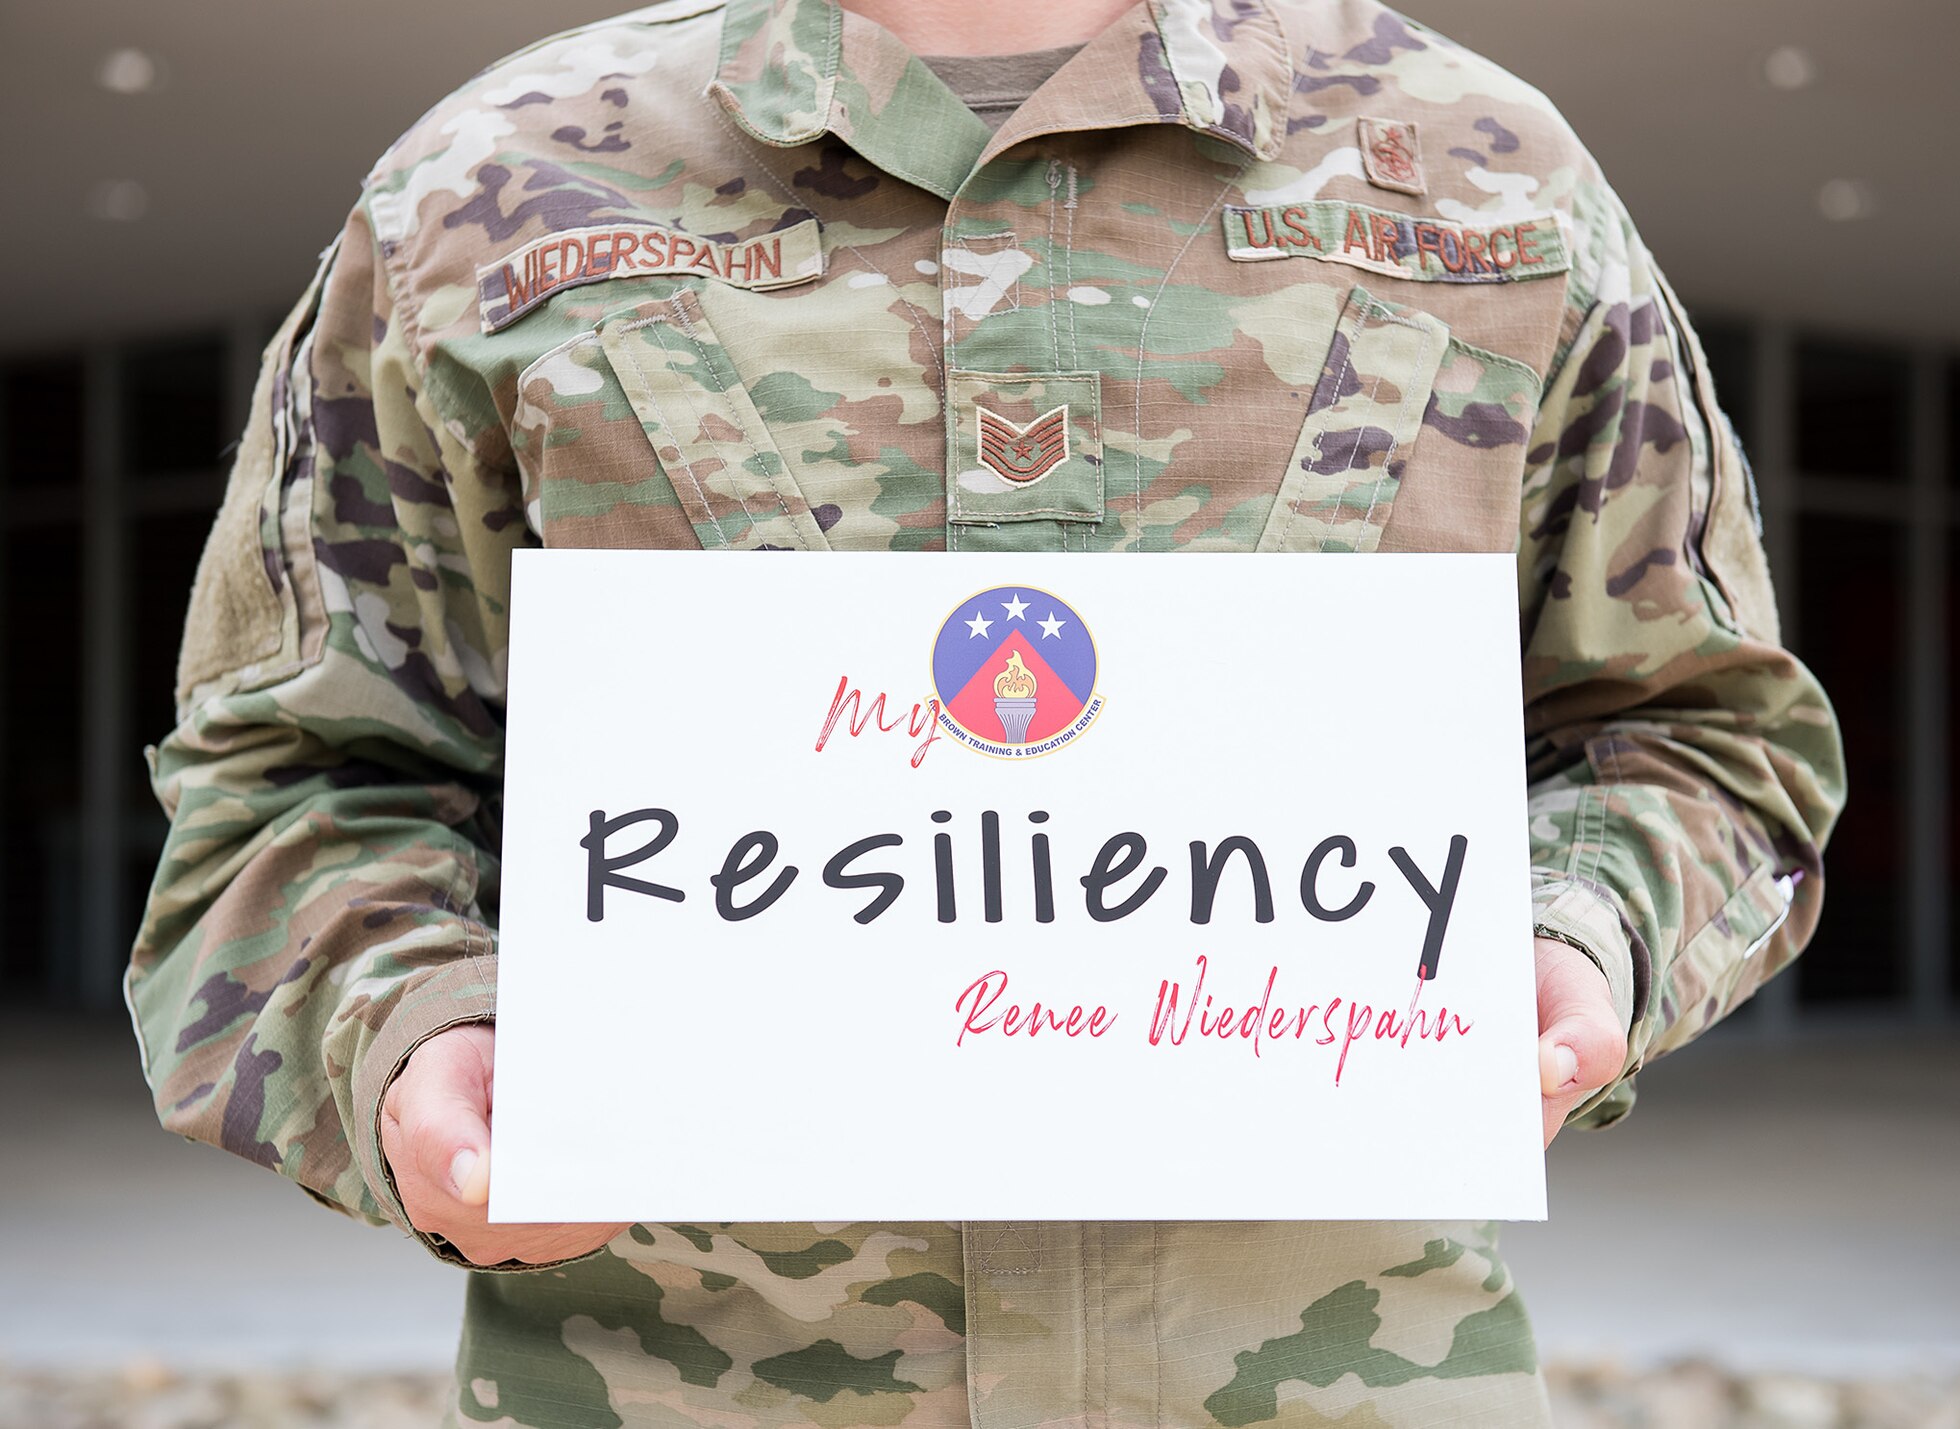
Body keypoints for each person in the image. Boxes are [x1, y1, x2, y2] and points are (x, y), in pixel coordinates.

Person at [130, 0, 1844, 1423]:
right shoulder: (485, 194)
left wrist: (1585, 932)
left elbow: (1706, 736)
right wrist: (409, 1034)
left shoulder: (1490, 180)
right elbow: (290, 782)